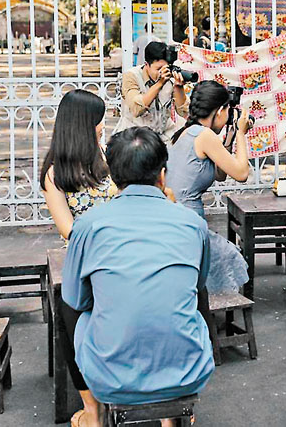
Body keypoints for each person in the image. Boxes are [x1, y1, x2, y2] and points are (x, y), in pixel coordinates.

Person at [61, 127, 213, 427]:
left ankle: (92, 411)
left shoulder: (89, 225)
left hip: (109, 378)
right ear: (163, 174)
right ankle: (172, 416)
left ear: (113, 177)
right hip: (188, 373)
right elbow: (196, 287)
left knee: (67, 303)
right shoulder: (192, 224)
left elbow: (76, 299)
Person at [166, 81, 250, 293]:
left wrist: (229, 139)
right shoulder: (204, 136)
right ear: (220, 110)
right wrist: (241, 134)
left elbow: (220, 174)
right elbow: (241, 174)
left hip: (174, 218)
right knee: (230, 258)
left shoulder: (186, 132)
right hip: (188, 224)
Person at [41, 90, 117, 241]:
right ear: (85, 125)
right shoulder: (54, 174)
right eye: (99, 120)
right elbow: (68, 230)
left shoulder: (105, 154)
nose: (102, 125)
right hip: (88, 250)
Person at [115, 41, 190, 145]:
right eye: (158, 69)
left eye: (165, 68)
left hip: (163, 137)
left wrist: (179, 87)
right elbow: (136, 109)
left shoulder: (170, 77)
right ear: (146, 65)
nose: (162, 72)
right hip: (134, 139)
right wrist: (160, 83)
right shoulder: (131, 76)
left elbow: (184, 111)